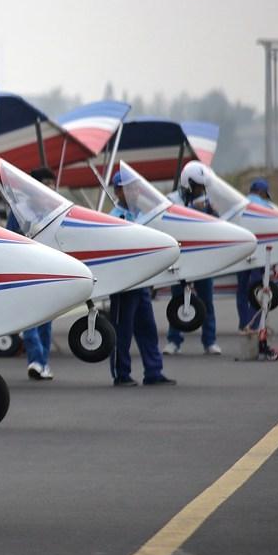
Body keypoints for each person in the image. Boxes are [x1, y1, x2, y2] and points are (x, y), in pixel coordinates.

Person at [108, 171, 176, 387]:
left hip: (142, 283)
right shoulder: (115, 216)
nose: (135, 192)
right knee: (122, 332)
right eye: (129, 188)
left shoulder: (141, 214)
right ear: (118, 191)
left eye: (137, 187)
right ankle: (121, 374)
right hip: (124, 285)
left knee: (148, 330)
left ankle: (153, 371)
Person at [163, 162, 220, 356]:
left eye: (202, 187)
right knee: (178, 300)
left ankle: (210, 341)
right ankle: (174, 340)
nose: (200, 191)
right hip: (180, 260)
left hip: (202, 259)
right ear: (188, 184)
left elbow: (219, 225)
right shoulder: (171, 201)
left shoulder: (206, 203)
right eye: (197, 187)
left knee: (206, 301)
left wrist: (211, 211)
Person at [5, 167, 57, 381]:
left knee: (46, 320)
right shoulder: (19, 210)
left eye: (52, 186)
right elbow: (8, 237)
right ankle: (36, 360)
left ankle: (42, 363)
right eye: (45, 185)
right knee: (31, 320)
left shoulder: (54, 210)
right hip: (26, 271)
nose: (50, 190)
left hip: (50, 270)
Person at [235, 177, 274, 332]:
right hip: (260, 255)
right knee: (258, 289)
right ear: (262, 192)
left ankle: (244, 323)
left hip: (242, 253)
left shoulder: (239, 205)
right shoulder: (267, 208)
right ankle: (255, 323)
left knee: (242, 290)